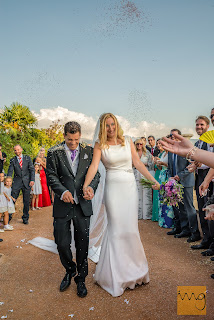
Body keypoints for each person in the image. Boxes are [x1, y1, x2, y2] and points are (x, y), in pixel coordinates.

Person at [82, 113, 160, 297]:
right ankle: (115, 276)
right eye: (107, 126)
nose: (110, 129)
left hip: (129, 188)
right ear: (102, 128)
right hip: (113, 189)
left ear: (117, 125)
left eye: (112, 124)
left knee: (130, 229)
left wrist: (153, 180)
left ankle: (136, 271)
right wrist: (86, 185)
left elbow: (138, 163)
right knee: (116, 230)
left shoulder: (128, 140)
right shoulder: (100, 145)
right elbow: (94, 166)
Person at [46, 121, 100, 298]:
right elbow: (51, 175)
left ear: (80, 136)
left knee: (83, 243)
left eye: (76, 139)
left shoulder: (88, 151)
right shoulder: (53, 152)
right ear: (64, 136)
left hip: (82, 205)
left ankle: (81, 279)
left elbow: (96, 174)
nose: (73, 143)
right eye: (70, 140)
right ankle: (70, 270)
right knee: (61, 243)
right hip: (63, 205)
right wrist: (62, 192)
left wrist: (91, 187)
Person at [167, 129, 200, 243]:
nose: (173, 138)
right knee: (179, 207)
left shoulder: (187, 149)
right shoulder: (170, 151)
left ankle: (195, 232)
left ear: (180, 137)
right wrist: (170, 178)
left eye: (175, 136)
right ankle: (183, 229)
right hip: (175, 183)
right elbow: (170, 167)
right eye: (171, 136)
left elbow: (191, 167)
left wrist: (179, 176)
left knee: (189, 207)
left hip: (186, 182)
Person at [7, 145, 35, 224]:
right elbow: (10, 171)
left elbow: (32, 169)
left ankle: (25, 218)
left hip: (27, 183)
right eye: (15, 150)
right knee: (12, 200)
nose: (17, 152)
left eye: (18, 150)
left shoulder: (27, 158)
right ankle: (8, 217)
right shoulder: (12, 160)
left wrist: (32, 180)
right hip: (16, 182)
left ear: (21, 149)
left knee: (26, 201)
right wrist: (8, 181)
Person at [133, 138, 153, 219]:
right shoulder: (133, 153)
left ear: (143, 145)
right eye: (137, 144)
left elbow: (151, 164)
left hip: (145, 175)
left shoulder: (147, 153)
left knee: (147, 194)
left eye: (140, 144)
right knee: (137, 194)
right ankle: (138, 214)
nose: (139, 145)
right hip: (136, 175)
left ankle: (147, 215)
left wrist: (146, 163)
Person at [152, 139, 163, 222]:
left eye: (160, 143)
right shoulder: (159, 153)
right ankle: (156, 216)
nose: (158, 145)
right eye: (157, 143)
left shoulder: (165, 154)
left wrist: (159, 162)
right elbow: (158, 167)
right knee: (156, 194)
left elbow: (164, 166)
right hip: (157, 174)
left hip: (162, 175)